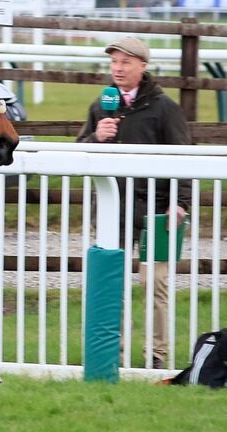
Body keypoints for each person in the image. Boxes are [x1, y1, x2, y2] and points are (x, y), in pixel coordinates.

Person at [76, 36, 191, 369]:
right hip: (115, 213)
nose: (118, 69)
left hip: (157, 214)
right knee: (112, 284)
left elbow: (183, 159)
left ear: (143, 66)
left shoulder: (165, 108)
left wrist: (179, 203)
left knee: (155, 283)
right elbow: (79, 148)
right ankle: (116, 351)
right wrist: (96, 137)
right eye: (114, 62)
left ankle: (156, 354)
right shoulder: (101, 105)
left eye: (125, 62)